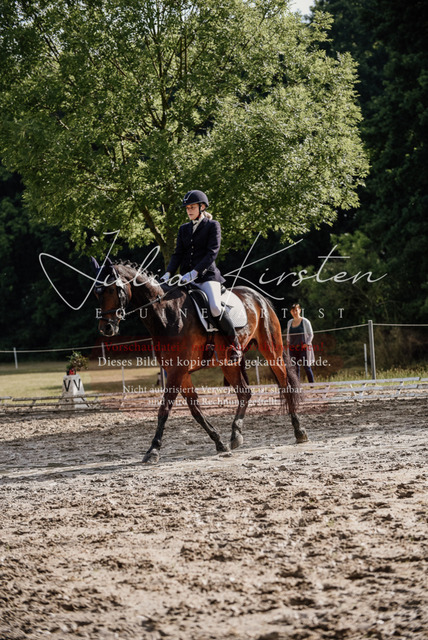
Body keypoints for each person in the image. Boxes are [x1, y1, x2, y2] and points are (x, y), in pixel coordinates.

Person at [159, 189, 242, 363]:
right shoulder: (183, 229)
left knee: (215, 308)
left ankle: (234, 344)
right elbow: (178, 254)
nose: (189, 210)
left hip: (207, 277)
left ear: (202, 207)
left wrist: (195, 272)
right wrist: (168, 273)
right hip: (185, 278)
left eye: (192, 207)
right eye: (187, 208)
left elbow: (212, 252)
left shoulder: (212, 225)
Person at [286, 302, 315, 383]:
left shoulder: (305, 321)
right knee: (295, 368)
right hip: (293, 348)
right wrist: (288, 343)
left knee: (307, 367)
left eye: (296, 310)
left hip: (303, 348)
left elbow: (311, 334)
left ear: (300, 310)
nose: (295, 312)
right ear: (290, 312)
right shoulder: (289, 322)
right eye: (293, 311)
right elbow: (288, 334)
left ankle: (312, 384)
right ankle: (297, 385)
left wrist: (307, 343)